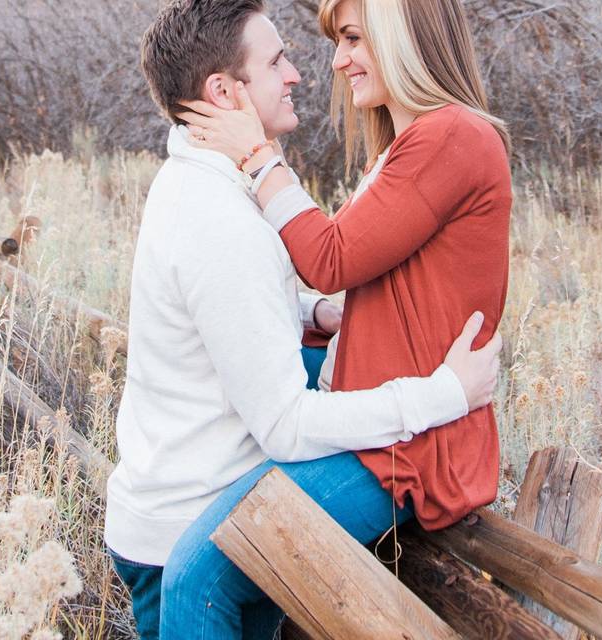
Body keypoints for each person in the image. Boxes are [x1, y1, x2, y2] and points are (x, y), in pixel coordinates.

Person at [106, 1, 504, 638]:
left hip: (407, 446)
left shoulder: (448, 137)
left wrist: (264, 164)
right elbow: (299, 280)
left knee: (200, 576)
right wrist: (336, 318)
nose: (316, 67)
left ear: (401, 41)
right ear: (224, 93)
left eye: (352, 39)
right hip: (349, 441)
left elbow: (328, 258)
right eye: (279, 60)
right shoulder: (218, 210)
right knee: (196, 577)